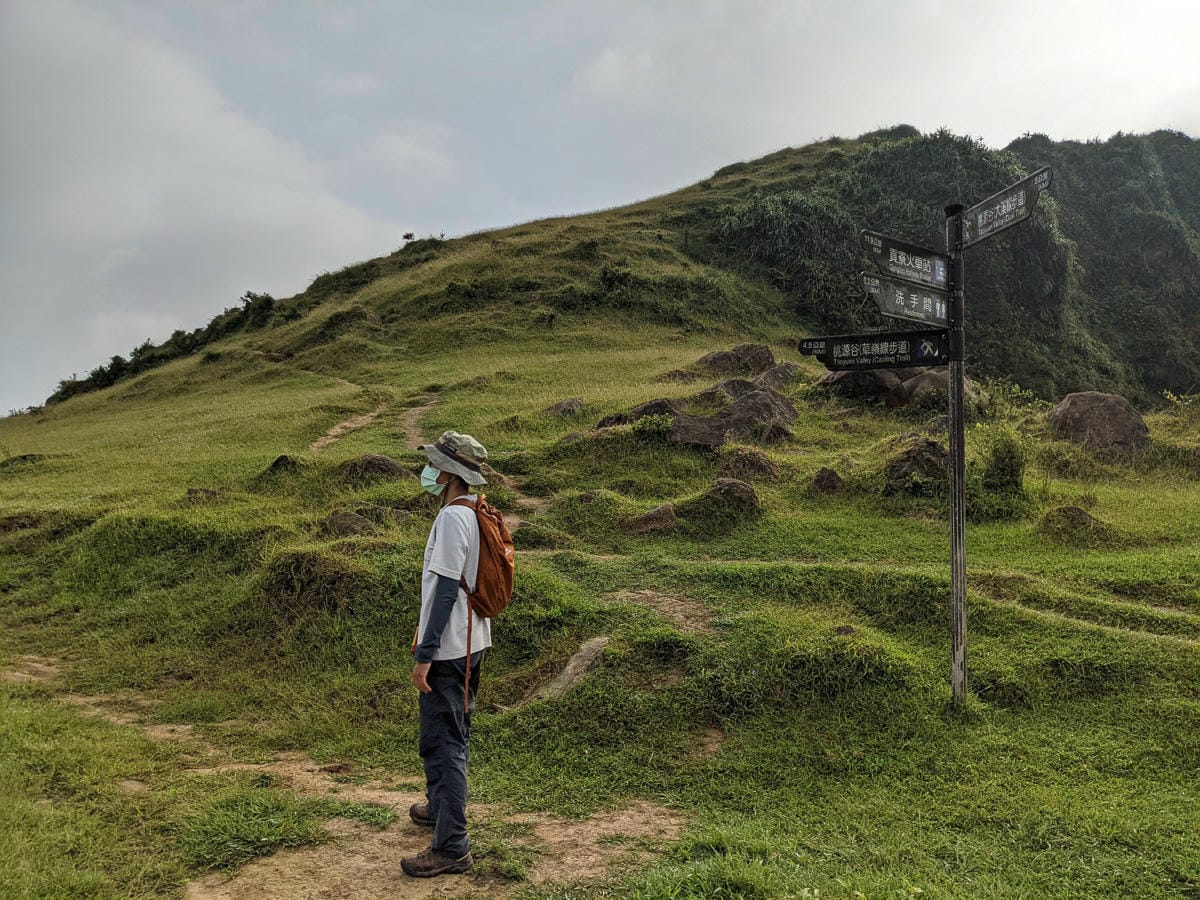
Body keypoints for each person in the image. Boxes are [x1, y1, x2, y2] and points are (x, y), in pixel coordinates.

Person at [401, 430, 492, 879]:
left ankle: (453, 846)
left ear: (450, 472)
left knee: (444, 742)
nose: (429, 471)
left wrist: (426, 654)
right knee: (449, 733)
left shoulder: (453, 519)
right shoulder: (473, 512)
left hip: (450, 648)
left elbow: (441, 594)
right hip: (471, 641)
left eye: (434, 464)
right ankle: (441, 810)